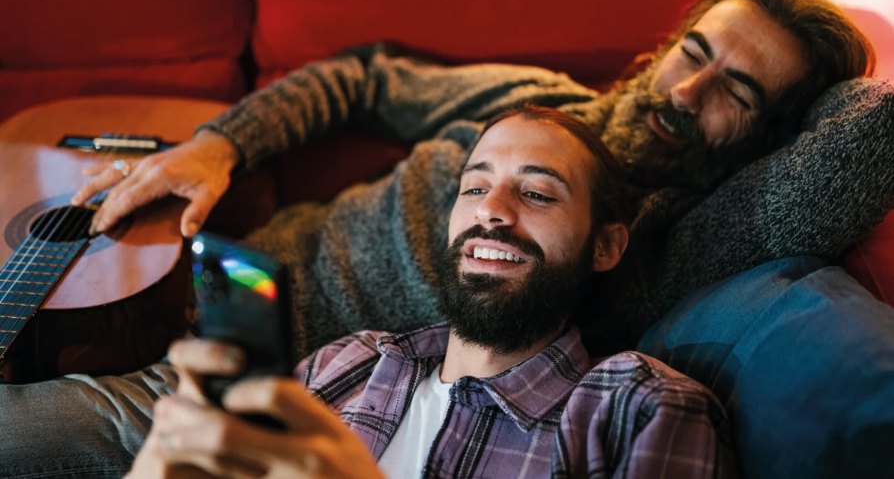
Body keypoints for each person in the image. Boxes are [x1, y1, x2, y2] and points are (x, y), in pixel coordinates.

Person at [0, 0, 889, 478]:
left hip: (257, 382)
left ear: (771, 136)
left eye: (736, 91)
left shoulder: (664, 243)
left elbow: (867, 138)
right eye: (694, 54)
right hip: (194, 259)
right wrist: (217, 144)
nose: (688, 93)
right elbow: (362, 77)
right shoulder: (530, 94)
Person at [126, 106, 736, 479]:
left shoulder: (637, 407)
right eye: (474, 189)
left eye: (538, 194)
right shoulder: (351, 362)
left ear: (605, 247)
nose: (491, 212)